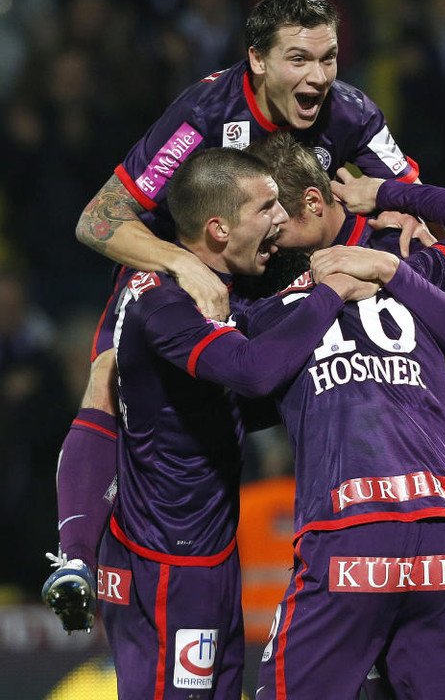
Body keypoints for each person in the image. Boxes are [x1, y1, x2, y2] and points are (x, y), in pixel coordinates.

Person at [42, 0, 445, 634]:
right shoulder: (204, 113)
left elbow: (416, 208)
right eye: (298, 59)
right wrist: (183, 265)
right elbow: (99, 219)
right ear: (257, 60)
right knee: (108, 374)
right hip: (187, 270)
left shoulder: (350, 113)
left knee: (416, 317)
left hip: (278, 275)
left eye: (327, 59)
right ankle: (74, 556)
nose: (318, 77)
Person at [92, 146, 373, 699]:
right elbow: (254, 373)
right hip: (167, 558)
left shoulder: (227, 291)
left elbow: (250, 393)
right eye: (266, 207)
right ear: (219, 229)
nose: (280, 218)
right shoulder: (164, 303)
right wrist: (333, 291)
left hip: (211, 550)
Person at [238, 140, 445, 699]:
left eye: (275, 224)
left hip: (347, 533)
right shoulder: (413, 273)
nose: (270, 241)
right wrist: (392, 211)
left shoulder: (263, 317)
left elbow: (242, 387)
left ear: (312, 203)